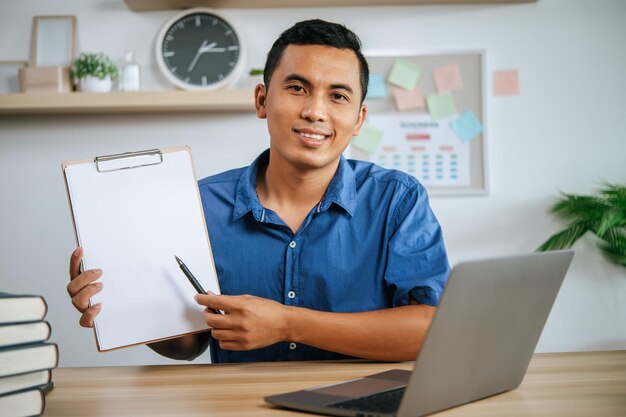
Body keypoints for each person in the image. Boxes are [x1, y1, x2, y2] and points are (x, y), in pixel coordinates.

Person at [67, 19, 450, 363]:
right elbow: (189, 345)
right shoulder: (198, 204)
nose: (316, 112)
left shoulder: (398, 199)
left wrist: (287, 323)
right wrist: (124, 307)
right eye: (298, 88)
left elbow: (429, 329)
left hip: (363, 402)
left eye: (338, 96)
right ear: (262, 100)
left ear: (358, 119)